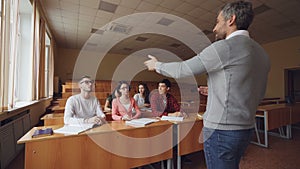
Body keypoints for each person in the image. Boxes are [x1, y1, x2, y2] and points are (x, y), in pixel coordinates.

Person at [144, 1, 270, 169]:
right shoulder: (262, 53)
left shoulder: (224, 48)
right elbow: (252, 90)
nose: (214, 28)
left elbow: (183, 69)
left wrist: (157, 65)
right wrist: (216, 91)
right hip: (246, 129)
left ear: (231, 19)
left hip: (221, 131)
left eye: (218, 21)